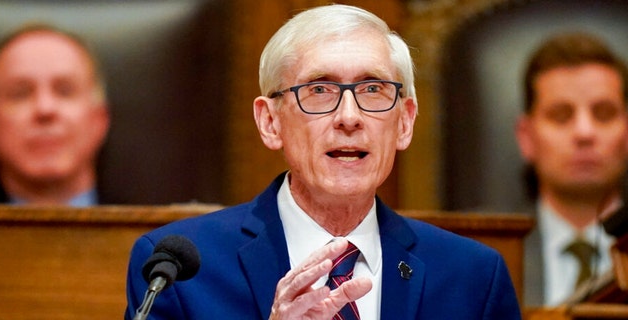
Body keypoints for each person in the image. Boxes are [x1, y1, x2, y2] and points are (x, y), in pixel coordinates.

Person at [125, 4, 521, 319]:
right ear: (270, 121)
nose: (349, 117)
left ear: (404, 122)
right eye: (319, 89)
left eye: (372, 89)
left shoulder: (472, 279)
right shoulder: (176, 272)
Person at [515, 32, 628, 306]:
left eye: (603, 113)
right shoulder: (488, 251)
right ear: (526, 138)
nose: (584, 132)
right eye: (561, 115)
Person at [0, 24, 110, 206]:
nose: (45, 109)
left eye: (65, 91)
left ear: (98, 120)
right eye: (20, 94)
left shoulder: (158, 232)